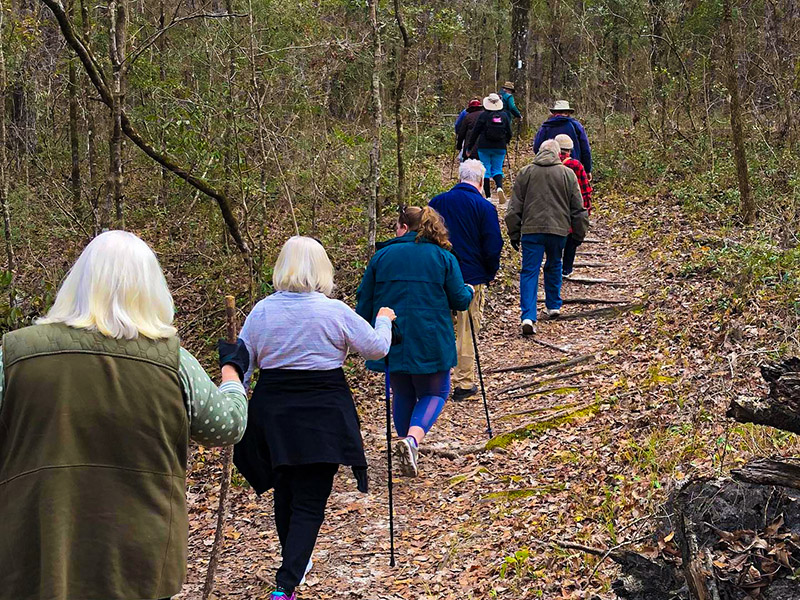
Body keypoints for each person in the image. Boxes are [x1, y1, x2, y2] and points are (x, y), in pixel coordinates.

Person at [0, 230, 249, 600]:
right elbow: (227, 426)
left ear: (78, 284)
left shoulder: (13, 354)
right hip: (139, 556)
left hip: (36, 548)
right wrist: (232, 373)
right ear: (151, 289)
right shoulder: (173, 362)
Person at [233, 236, 395, 600]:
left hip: (273, 413)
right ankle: (286, 583)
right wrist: (384, 320)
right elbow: (376, 348)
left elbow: (241, 365)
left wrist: (236, 400)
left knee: (286, 490)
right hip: (324, 412)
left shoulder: (262, 312)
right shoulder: (333, 311)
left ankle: (294, 564)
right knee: (309, 499)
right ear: (323, 268)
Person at [356, 206, 474, 477]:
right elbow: (460, 300)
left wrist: (364, 335)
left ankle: (406, 444)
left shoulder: (382, 256)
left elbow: (365, 301)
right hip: (430, 335)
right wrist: (468, 290)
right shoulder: (444, 257)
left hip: (392, 335)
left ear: (404, 227)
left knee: (404, 392)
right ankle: (411, 441)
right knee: (436, 391)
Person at [429, 159, 503, 400]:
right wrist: (488, 272)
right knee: (466, 330)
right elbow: (493, 245)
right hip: (470, 277)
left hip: (438, 275)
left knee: (437, 327)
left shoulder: (436, 203)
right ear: (481, 182)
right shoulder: (484, 207)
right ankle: (463, 383)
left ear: (460, 178)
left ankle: (432, 381)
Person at [505, 140, 590, 336]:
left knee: (529, 271)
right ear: (558, 153)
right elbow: (578, 208)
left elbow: (514, 208)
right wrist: (578, 234)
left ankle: (528, 316)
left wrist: (514, 233)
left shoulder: (526, 172)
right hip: (558, 231)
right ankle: (553, 305)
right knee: (554, 264)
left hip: (531, 230)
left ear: (540, 152)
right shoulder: (568, 174)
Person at [554, 133, 593, 279]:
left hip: (556, 207)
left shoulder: (550, 164)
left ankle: (555, 265)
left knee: (557, 239)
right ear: (570, 150)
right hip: (573, 207)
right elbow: (585, 189)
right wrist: (586, 209)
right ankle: (567, 269)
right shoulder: (576, 165)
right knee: (572, 238)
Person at [467, 93, 513, 202]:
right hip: (500, 146)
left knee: (486, 170)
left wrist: (469, 147)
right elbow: (509, 132)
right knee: (497, 169)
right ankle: (499, 187)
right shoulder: (505, 116)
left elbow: (475, 132)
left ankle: (488, 196)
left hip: (484, 146)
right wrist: (505, 142)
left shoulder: (483, 115)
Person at [533, 100, 593, 177]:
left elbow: (536, 148)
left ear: (554, 113)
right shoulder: (575, 125)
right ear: (568, 113)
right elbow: (585, 149)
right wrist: (587, 170)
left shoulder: (546, 126)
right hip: (573, 167)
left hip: (550, 168)